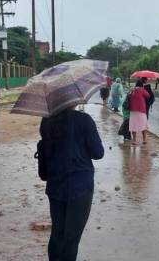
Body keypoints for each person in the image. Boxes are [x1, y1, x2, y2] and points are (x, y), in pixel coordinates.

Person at [40, 108, 104, 261]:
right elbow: (98, 153)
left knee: (57, 233)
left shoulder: (46, 121)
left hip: (55, 186)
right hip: (80, 187)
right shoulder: (84, 120)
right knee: (72, 238)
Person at [129, 80, 150, 145]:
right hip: (141, 110)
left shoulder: (132, 90)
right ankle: (144, 140)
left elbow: (129, 97)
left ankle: (134, 140)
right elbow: (148, 96)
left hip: (133, 110)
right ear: (141, 85)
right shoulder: (142, 90)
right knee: (143, 125)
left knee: (134, 125)